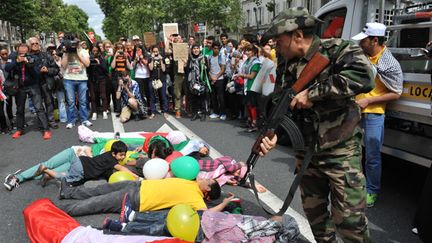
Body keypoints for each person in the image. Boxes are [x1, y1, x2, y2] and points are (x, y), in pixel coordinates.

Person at [260, 7, 375, 242]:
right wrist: (275, 133)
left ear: (298, 35)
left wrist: (312, 93)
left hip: (340, 152)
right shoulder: (286, 63)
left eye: (279, 41)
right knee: (317, 219)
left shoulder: (338, 50)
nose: (276, 46)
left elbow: (364, 76)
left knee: (350, 223)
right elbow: (284, 104)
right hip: (307, 154)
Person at [352, 23, 403, 207]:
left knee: (372, 156)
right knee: (354, 151)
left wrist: (369, 101)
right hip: (355, 111)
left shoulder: (389, 64)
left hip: (374, 113)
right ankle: (356, 186)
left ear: (375, 40)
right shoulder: (362, 56)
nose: (360, 44)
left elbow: (396, 92)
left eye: (364, 41)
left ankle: (371, 191)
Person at [57, 177, 230, 217]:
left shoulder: (197, 199)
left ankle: (55, 211)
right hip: (138, 185)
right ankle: (67, 193)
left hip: (137, 199)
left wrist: (224, 202)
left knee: (94, 204)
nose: (205, 177)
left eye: (208, 180)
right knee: (99, 190)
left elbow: (206, 213)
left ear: (207, 190)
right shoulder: (192, 182)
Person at [38, 140, 138, 186]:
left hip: (81, 160)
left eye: (124, 154)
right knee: (67, 179)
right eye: (121, 155)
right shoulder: (112, 160)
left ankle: (48, 176)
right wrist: (133, 175)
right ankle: (45, 169)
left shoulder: (107, 154)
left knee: (69, 175)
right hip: (82, 168)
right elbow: (121, 168)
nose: (123, 157)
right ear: (113, 153)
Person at [5, 43, 52, 139]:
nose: (22, 51)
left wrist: (28, 63)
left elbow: (37, 72)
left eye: (24, 50)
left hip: (33, 85)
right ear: (17, 50)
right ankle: (19, 130)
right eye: (21, 50)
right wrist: (17, 61)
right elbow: (7, 68)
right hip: (20, 86)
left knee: (39, 108)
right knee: (20, 109)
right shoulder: (13, 56)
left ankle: (46, 130)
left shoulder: (33, 57)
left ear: (28, 50)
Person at [3, 146, 92, 191]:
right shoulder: (105, 145)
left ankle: (30, 174)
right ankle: (18, 177)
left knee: (49, 173)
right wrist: (90, 158)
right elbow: (88, 147)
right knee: (48, 164)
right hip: (73, 153)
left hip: (78, 165)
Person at [61, 33, 92, 129]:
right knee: (70, 102)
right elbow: (63, 65)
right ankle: (71, 121)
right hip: (68, 79)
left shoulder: (83, 51)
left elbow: (87, 64)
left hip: (82, 79)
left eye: (76, 41)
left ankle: (84, 120)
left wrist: (77, 52)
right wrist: (67, 53)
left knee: (83, 101)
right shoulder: (66, 52)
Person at [235, 44, 261, 132]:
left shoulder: (256, 62)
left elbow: (251, 76)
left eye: (249, 50)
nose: (246, 52)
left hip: (253, 86)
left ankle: (254, 124)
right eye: (246, 50)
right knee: (247, 105)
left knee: (252, 105)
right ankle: (249, 121)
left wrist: (241, 75)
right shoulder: (247, 61)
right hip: (246, 86)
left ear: (254, 52)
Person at [185, 44, 209, 121]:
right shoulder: (190, 59)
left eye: (197, 48)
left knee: (202, 98)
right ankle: (195, 113)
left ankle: (203, 113)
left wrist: (205, 66)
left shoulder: (203, 57)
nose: (196, 50)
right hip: (192, 81)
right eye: (194, 48)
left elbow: (207, 70)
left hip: (201, 80)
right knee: (194, 98)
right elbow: (187, 71)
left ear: (199, 49)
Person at [207, 41, 227, 120]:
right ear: (212, 48)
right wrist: (211, 77)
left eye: (217, 48)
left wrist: (216, 77)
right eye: (214, 48)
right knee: (213, 97)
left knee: (221, 97)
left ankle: (223, 113)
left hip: (219, 79)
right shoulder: (210, 57)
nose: (216, 50)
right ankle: (216, 112)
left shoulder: (221, 57)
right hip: (212, 79)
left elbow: (223, 69)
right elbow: (208, 68)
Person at [148, 46, 169, 119]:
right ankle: (153, 111)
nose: (156, 53)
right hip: (153, 79)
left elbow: (163, 69)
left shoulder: (163, 58)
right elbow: (150, 68)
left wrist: (161, 60)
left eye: (157, 51)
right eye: (154, 51)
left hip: (162, 79)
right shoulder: (150, 58)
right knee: (152, 96)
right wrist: (153, 59)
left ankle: (165, 111)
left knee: (163, 95)